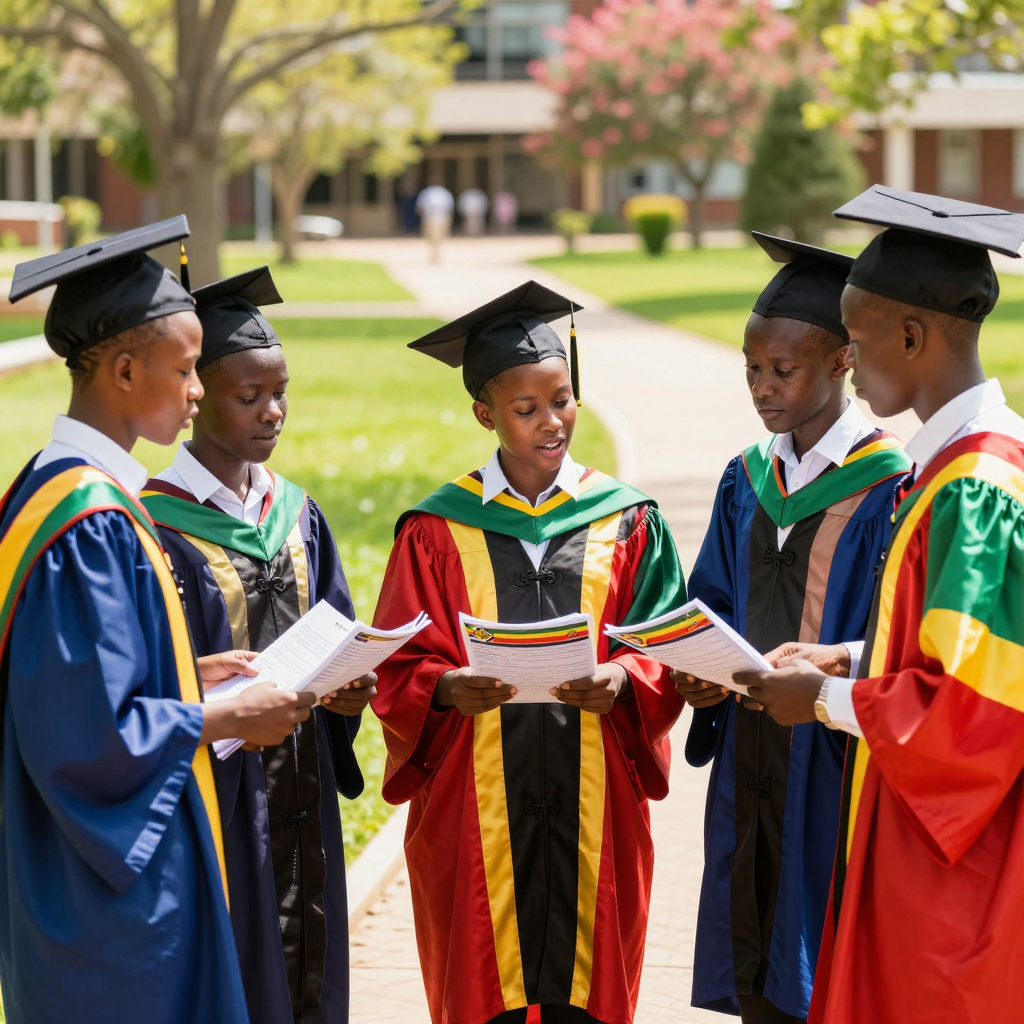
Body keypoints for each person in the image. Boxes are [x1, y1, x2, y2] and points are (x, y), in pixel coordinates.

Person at [0, 220, 315, 1023]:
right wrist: (217, 714)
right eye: (185, 368)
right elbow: (84, 734)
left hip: (91, 868)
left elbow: (87, 684)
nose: (199, 388)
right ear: (125, 368)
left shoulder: (56, 488)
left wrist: (183, 675)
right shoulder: (89, 519)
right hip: (110, 897)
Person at [735, 186, 1024, 1024]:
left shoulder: (976, 488)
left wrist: (824, 700)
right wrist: (850, 658)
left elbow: (976, 706)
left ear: (912, 336)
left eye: (856, 341)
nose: (851, 361)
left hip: (955, 867)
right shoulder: (953, 467)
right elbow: (961, 650)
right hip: (923, 838)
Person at [371, 280, 687, 1024]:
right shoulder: (436, 528)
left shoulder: (630, 520)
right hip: (472, 806)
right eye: (527, 408)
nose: (553, 421)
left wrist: (624, 676)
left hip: (596, 800)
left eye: (563, 400)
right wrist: (446, 688)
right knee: (484, 984)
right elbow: (396, 660)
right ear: (485, 414)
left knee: (591, 986)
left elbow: (668, 643)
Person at [674, 232, 911, 1024]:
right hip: (749, 757)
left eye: (784, 369)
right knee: (754, 961)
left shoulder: (891, 485)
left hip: (835, 762)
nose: (762, 387)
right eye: (751, 368)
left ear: (844, 360)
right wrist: (693, 667)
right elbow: (706, 600)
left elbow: (899, 636)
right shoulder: (746, 477)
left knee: (826, 961)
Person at [141, 266, 374, 1024]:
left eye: (281, 393)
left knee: (311, 972)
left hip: (304, 793)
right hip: (220, 806)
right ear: (196, 395)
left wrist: (349, 692)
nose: (273, 412)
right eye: (251, 397)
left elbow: (337, 627)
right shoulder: (153, 525)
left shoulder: (297, 512)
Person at [416, 183, 454, 263]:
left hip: (434, 216)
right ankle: (435, 252)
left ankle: (435, 253)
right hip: (436, 216)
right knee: (435, 236)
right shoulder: (444, 192)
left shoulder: (427, 192)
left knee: (434, 236)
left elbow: (420, 207)